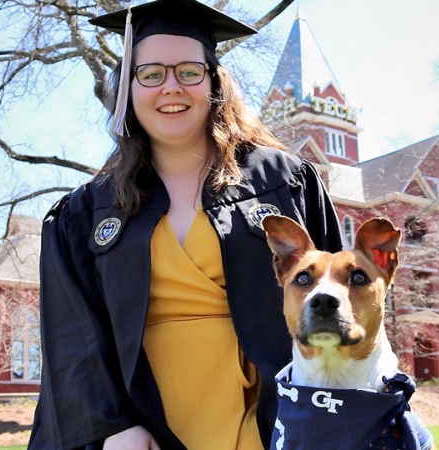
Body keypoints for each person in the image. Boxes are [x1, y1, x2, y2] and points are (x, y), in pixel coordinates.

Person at [28, 0, 344, 449]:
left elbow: (339, 303)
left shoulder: (284, 182)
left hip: (272, 419)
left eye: (189, 72)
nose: (170, 87)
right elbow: (72, 335)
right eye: (151, 74)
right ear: (128, 90)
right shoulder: (86, 212)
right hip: (139, 429)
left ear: (215, 82)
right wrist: (113, 427)